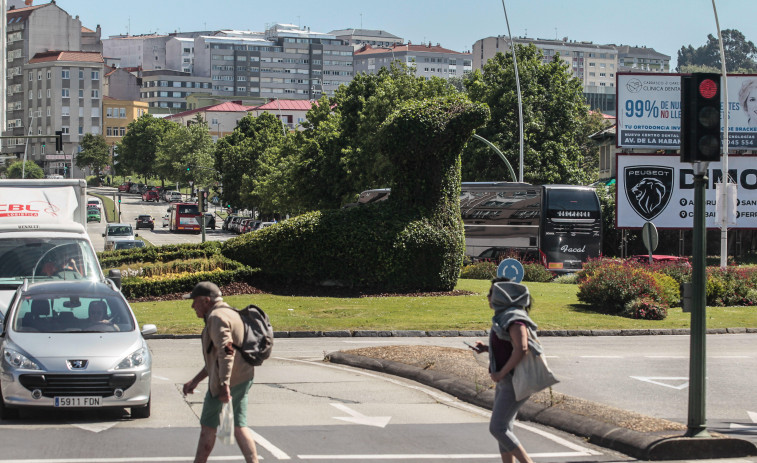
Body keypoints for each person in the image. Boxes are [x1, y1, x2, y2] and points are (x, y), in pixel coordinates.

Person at [182, 282, 259, 463]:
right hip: (243, 376)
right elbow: (216, 356)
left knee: (208, 427)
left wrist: (224, 384)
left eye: (195, 302)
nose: (193, 306)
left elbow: (226, 351)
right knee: (239, 426)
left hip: (225, 382)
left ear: (206, 300)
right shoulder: (231, 312)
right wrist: (196, 380)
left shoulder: (216, 317)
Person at [470, 277, 537, 463]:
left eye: (492, 293)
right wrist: (486, 349)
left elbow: (521, 348)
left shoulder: (515, 319)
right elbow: (508, 347)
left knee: (498, 428)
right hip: (507, 381)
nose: (488, 297)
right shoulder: (505, 316)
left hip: (514, 381)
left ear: (502, 295)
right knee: (504, 429)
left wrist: (501, 372)